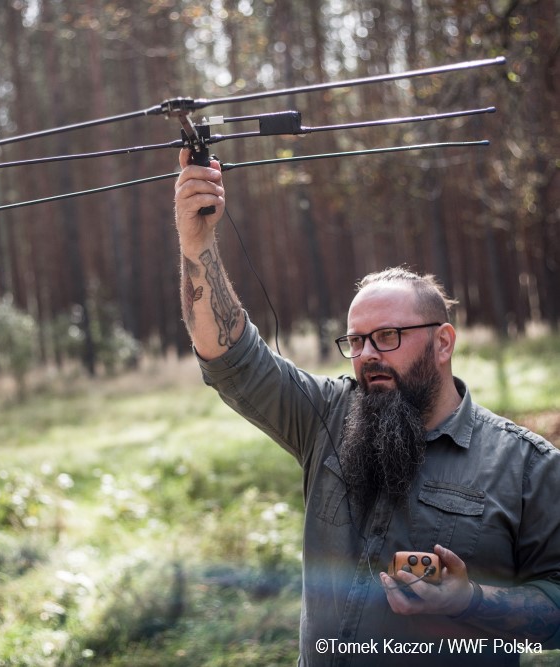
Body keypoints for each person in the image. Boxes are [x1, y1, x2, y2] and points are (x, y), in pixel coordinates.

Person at [173, 149, 560, 666]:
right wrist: (197, 244)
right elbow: (231, 356)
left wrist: (472, 601)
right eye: (356, 341)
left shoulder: (526, 467)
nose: (368, 355)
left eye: (388, 336)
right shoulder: (326, 416)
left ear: (443, 342)